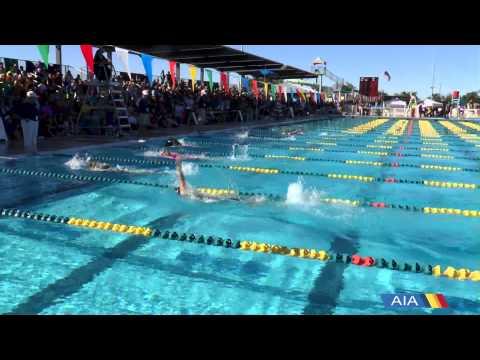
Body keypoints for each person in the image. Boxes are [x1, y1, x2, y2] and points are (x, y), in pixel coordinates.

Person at [175, 158, 239, 201]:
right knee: (228, 198)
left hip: (203, 198)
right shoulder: (183, 191)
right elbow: (182, 179)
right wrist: (178, 166)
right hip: (204, 197)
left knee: (226, 198)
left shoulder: (185, 195)